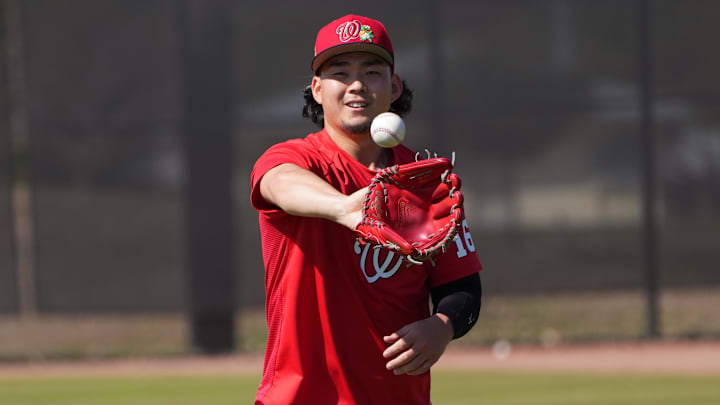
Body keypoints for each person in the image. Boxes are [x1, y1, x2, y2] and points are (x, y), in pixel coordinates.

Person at [250, 14, 483, 405]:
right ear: (318, 89)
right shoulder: (297, 159)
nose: (356, 84)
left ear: (393, 86)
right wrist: (345, 209)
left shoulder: (425, 183)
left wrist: (442, 327)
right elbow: (278, 183)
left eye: (372, 71)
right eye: (340, 71)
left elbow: (463, 288)